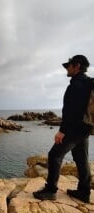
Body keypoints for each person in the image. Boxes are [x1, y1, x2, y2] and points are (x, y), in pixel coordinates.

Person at [33, 54, 92, 203]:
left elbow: (71, 111)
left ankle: (51, 190)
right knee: (81, 159)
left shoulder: (77, 85)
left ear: (77, 66)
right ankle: (84, 192)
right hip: (84, 128)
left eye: (69, 66)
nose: (67, 69)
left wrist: (62, 131)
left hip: (74, 129)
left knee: (54, 155)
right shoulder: (88, 83)